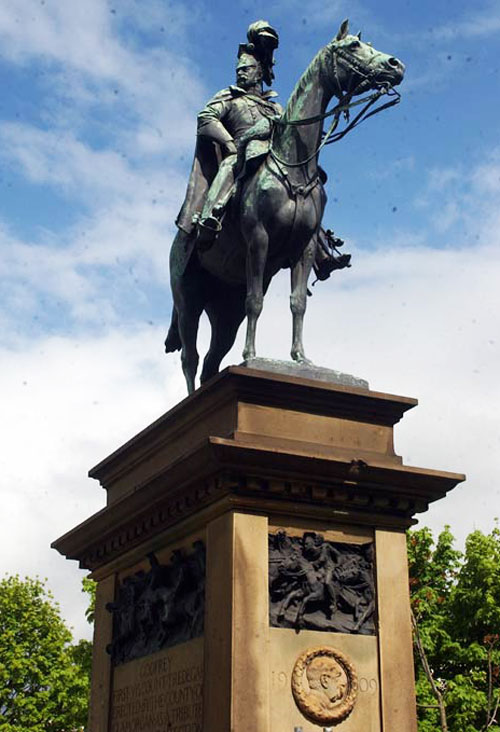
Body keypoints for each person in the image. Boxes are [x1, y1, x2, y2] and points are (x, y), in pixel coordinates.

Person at [176, 20, 281, 246]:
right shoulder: (230, 97)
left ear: (260, 72)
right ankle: (209, 217)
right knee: (228, 165)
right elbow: (206, 117)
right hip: (240, 153)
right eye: (238, 70)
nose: (240, 73)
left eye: (246, 69)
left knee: (300, 185)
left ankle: (321, 248)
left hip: (271, 157)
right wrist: (229, 143)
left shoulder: (275, 107)